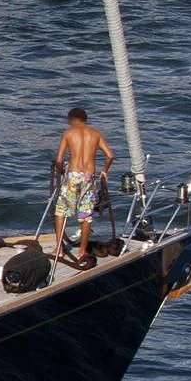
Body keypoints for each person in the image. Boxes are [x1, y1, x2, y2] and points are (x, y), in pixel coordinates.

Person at [50, 106, 115, 268]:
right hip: (88, 177)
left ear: (71, 120)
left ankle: (59, 249)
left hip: (72, 175)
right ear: (85, 119)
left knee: (61, 212)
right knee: (85, 215)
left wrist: (61, 171)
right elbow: (110, 155)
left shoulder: (68, 133)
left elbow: (59, 160)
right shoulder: (95, 133)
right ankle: (82, 251)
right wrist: (104, 171)